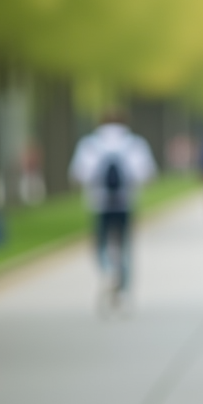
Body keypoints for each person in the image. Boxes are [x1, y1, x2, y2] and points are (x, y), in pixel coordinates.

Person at [69, 110, 157, 313]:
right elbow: (146, 173)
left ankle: (108, 270)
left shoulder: (90, 144)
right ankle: (123, 289)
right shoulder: (134, 143)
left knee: (100, 244)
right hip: (126, 201)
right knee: (124, 246)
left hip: (98, 202)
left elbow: (79, 173)